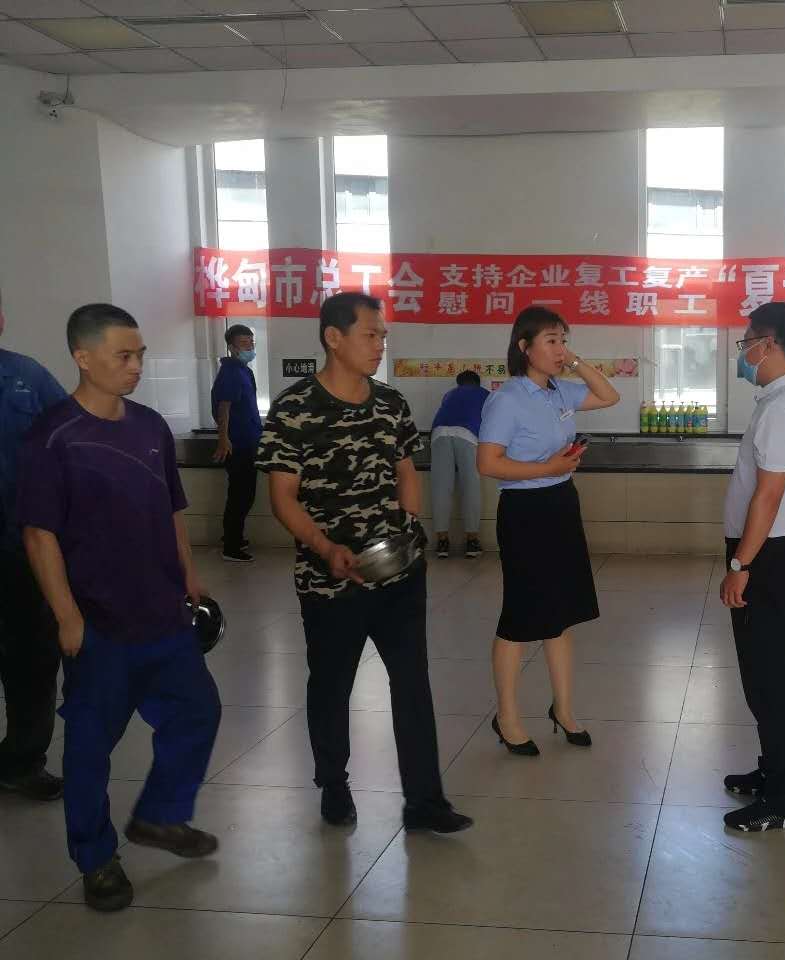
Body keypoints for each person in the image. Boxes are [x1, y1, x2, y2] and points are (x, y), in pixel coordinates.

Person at [17, 303, 222, 913]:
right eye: (123, 356)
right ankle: (96, 858)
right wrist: (67, 616)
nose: (135, 366)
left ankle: (160, 815)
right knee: (89, 746)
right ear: (83, 357)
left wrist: (189, 578)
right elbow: (39, 534)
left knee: (198, 712)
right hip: (98, 623)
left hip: (162, 612)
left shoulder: (150, 427)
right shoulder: (53, 435)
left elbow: (172, 510)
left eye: (140, 356)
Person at [257, 292, 471, 834]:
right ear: (334, 337)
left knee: (412, 682)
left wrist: (410, 524)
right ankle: (333, 782)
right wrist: (325, 548)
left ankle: (425, 801)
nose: (380, 345)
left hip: (398, 571)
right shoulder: (294, 408)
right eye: (370, 335)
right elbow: (282, 496)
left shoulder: (391, 403)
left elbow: (406, 469)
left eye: (383, 336)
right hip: (330, 579)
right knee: (331, 683)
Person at [476, 306, 619, 756]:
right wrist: (547, 467)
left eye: (564, 340)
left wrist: (572, 361)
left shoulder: (559, 391)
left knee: (561, 612)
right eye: (552, 341)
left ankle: (564, 710)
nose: (561, 350)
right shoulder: (507, 399)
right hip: (525, 511)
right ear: (525, 347)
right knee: (521, 616)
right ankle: (507, 718)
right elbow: (488, 463)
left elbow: (609, 395)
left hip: (561, 503)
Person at [717, 302, 785, 833]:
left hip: (768, 555)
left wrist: (741, 563)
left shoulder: (783, 410)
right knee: (766, 674)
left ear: (770, 344)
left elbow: (768, 497)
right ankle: (773, 771)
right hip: (778, 551)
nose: (743, 353)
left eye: (747, 343)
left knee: (772, 681)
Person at [0, 284, 67, 802]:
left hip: (21, 548)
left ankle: (22, 761)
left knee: (33, 660)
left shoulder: (26, 376)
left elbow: (71, 437)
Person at [211, 323, 262, 563]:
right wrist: (224, 439)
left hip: (248, 441)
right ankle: (231, 546)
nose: (249, 347)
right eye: (244, 343)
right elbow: (224, 407)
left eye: (251, 342)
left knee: (243, 494)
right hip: (237, 444)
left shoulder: (243, 370)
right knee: (241, 496)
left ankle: (234, 537)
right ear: (231, 347)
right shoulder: (230, 372)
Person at [429, 370, 488, 559]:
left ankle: (442, 542)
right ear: (477, 383)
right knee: (470, 486)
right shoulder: (484, 394)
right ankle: (472, 541)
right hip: (468, 435)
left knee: (440, 488)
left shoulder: (449, 394)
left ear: (459, 383)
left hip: (438, 434)